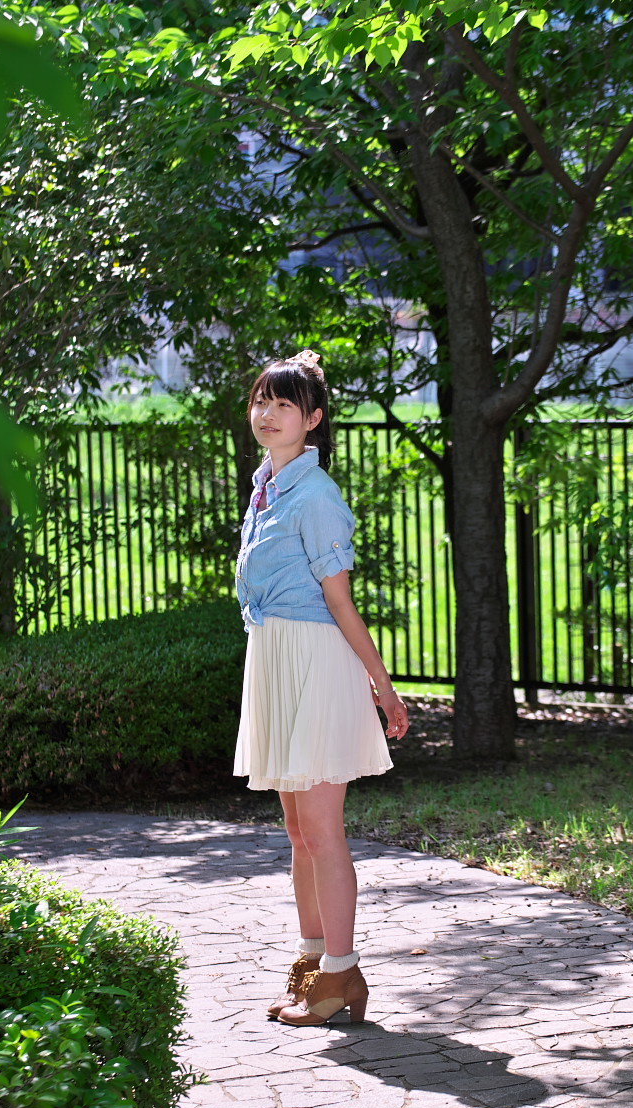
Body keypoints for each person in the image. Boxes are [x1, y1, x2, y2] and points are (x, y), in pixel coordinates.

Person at [233, 349, 409, 1027]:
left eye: (284, 404)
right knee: (297, 831)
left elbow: (340, 601)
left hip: (315, 660)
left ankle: (341, 974)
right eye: (261, 401)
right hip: (276, 657)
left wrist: (383, 689)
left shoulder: (317, 497)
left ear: (313, 419)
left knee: (322, 831)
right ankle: (313, 966)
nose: (268, 414)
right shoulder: (267, 490)